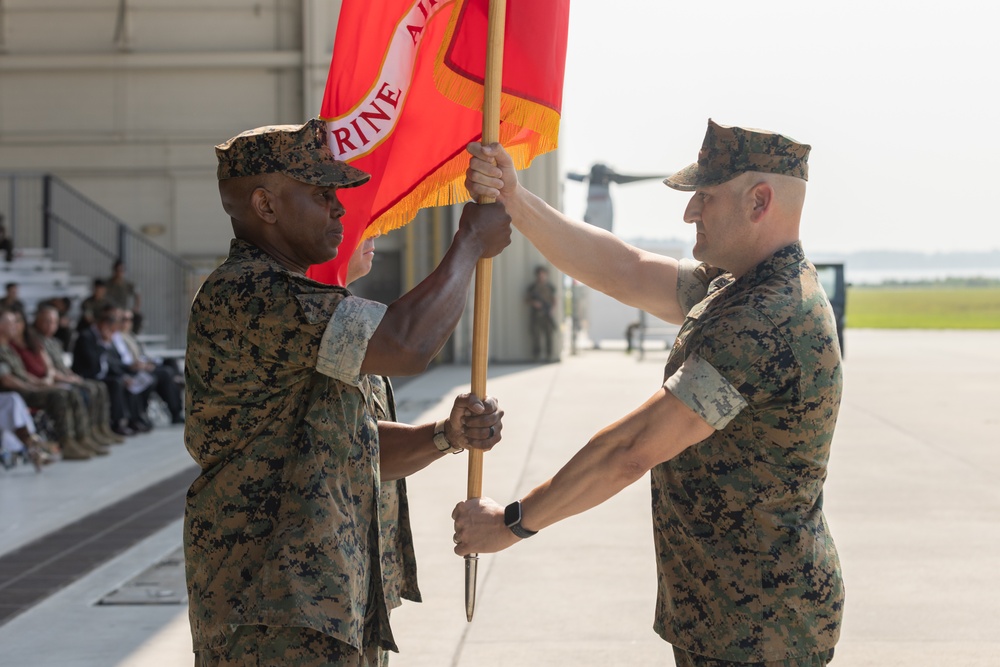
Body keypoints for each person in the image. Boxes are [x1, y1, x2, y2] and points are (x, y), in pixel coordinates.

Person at [454, 119, 844, 666]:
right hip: (734, 617)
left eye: (705, 198)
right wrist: (517, 199)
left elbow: (630, 450)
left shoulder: (768, 317)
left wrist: (511, 523)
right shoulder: (739, 287)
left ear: (759, 202)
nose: (689, 213)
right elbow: (625, 270)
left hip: (759, 630)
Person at [184, 118, 511, 666]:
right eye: (319, 194)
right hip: (270, 612)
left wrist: (444, 436)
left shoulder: (302, 302)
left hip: (329, 603)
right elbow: (408, 344)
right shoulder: (247, 294)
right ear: (265, 206)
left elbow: (354, 447)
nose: (338, 209)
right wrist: (469, 243)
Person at [0, 306, 101, 460]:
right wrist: (34, 386)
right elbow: (7, 379)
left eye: (16, 322)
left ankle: (82, 437)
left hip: (25, 389)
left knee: (70, 391)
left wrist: (40, 383)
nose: (15, 326)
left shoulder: (8, 348)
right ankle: (65, 442)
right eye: (11, 322)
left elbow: (23, 374)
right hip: (15, 392)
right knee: (59, 395)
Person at [32, 303, 124, 444]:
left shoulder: (54, 342)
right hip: (53, 382)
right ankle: (79, 436)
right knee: (86, 390)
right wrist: (68, 379)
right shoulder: (34, 341)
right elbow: (47, 369)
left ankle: (98, 429)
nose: (51, 325)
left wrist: (71, 375)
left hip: (65, 378)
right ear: (37, 320)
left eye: (55, 322)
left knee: (98, 387)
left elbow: (61, 366)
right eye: (47, 321)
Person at [72, 304, 147, 436]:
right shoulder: (86, 337)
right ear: (103, 325)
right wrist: (104, 344)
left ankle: (134, 418)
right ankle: (117, 423)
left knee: (129, 380)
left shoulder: (105, 338)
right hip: (89, 376)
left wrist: (126, 373)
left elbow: (112, 363)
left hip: (105, 374)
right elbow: (92, 364)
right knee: (116, 384)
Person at [113, 308, 184, 425]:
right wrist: (139, 365)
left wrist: (148, 363)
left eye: (130, 319)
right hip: (131, 370)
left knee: (170, 363)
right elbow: (124, 359)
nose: (128, 322)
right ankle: (175, 411)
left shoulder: (130, 336)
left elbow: (141, 355)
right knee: (165, 374)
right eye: (124, 319)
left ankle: (177, 384)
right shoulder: (116, 337)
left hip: (141, 365)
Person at [526, 265, 557, 362]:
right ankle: (536, 356)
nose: (541, 276)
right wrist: (534, 303)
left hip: (547, 316)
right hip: (536, 315)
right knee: (536, 336)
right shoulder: (532, 287)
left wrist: (551, 309)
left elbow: (554, 300)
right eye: (539, 274)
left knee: (549, 336)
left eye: (543, 274)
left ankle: (549, 356)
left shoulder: (550, 287)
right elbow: (527, 300)